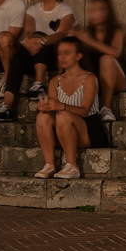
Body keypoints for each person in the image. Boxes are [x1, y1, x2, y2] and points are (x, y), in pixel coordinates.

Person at [0, 0, 75, 119]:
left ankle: (39, 82)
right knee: (17, 58)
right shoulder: (32, 10)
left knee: (41, 37)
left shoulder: (65, 10)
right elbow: (28, 32)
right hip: (32, 55)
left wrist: (43, 40)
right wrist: (31, 41)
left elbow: (63, 34)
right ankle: (7, 105)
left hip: (54, 57)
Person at [33, 37, 101, 180]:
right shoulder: (55, 81)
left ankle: (72, 165)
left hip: (87, 128)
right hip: (63, 128)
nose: (62, 57)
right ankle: (49, 164)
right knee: (42, 117)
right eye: (60, 53)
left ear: (78, 56)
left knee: (63, 115)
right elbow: (53, 111)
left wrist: (61, 106)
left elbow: (85, 111)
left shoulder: (89, 78)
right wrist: (46, 107)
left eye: (67, 53)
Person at [71, 0, 126, 122]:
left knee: (106, 59)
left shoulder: (116, 31)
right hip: (96, 81)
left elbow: (116, 53)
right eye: (92, 9)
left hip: (117, 79)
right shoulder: (87, 32)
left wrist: (91, 42)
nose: (95, 13)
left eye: (99, 9)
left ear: (107, 12)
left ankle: (106, 108)